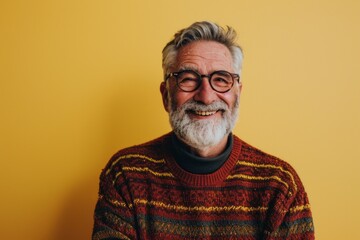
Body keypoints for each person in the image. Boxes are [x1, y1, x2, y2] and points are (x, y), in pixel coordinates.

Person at [92, 21, 314, 240]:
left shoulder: (279, 186)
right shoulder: (125, 174)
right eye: (188, 79)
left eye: (221, 80)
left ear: (238, 93)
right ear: (166, 96)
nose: (206, 96)